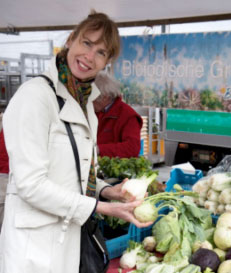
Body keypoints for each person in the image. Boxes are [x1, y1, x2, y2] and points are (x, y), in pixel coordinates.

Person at [0, 11, 152, 273]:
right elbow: (30, 185)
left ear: (107, 61)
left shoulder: (84, 103)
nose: (90, 57)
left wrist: (107, 191)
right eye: (87, 43)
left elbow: (76, 173)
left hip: (67, 239)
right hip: (34, 247)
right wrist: (102, 207)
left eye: (101, 52)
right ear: (71, 40)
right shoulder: (35, 96)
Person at [94, 71, 143, 158]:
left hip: (114, 169)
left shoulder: (128, 116)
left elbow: (132, 148)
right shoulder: (96, 110)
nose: (90, 102)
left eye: (92, 98)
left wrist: (99, 149)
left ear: (105, 97)